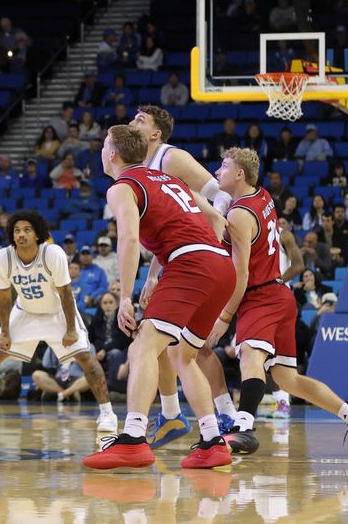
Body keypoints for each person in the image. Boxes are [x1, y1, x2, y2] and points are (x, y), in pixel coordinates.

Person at [82, 125, 235, 470]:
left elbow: (130, 240)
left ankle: (134, 438)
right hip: (220, 265)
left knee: (142, 348)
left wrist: (125, 297)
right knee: (184, 357)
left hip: (192, 264)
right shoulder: (169, 180)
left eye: (105, 145)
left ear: (112, 154)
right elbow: (214, 217)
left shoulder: (123, 186)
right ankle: (212, 441)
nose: (103, 151)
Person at [208, 148, 348, 456]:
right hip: (281, 295)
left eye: (223, 166)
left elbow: (241, 273)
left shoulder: (240, 213)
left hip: (260, 295)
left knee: (249, 355)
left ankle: (243, 427)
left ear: (239, 175)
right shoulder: (262, 197)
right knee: (288, 378)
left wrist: (224, 317)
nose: (218, 171)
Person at [0, 210, 117, 435]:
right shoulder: (3, 257)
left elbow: (66, 293)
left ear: (37, 234)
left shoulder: (52, 253)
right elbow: (3, 297)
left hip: (57, 312)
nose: (21, 235)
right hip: (25, 312)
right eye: (17, 230)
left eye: (27, 230)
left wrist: (71, 329)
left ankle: (107, 414)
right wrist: (5, 332)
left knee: (85, 357)